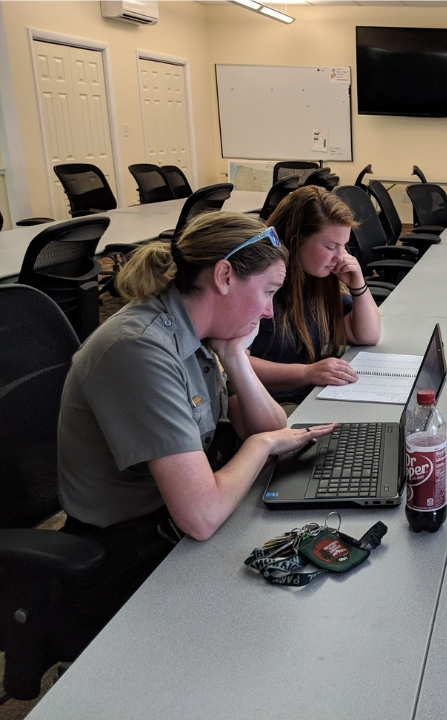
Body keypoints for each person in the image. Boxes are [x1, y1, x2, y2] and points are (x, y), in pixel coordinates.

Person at [58, 212, 335, 622]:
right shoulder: (139, 349)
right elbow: (202, 516)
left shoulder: (200, 332)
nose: (269, 312)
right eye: (268, 292)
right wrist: (260, 445)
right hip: (123, 551)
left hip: (172, 525)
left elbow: (272, 429)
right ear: (224, 276)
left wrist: (236, 357)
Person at [249, 186, 382, 408]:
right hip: (274, 403)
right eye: (331, 247)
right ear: (295, 240)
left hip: (313, 395)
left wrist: (358, 284)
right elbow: (235, 365)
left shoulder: (317, 278)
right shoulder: (259, 284)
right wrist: (306, 373)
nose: (341, 257)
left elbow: (368, 335)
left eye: (344, 246)